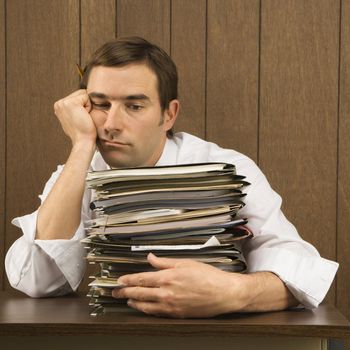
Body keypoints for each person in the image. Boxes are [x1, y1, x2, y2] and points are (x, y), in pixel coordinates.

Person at [5, 36, 338, 318]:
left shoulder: (227, 170)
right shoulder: (77, 172)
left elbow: (301, 268)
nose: (111, 124)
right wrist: (81, 145)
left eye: (134, 106)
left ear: (169, 113)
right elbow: (38, 280)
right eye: (100, 104)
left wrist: (237, 293)